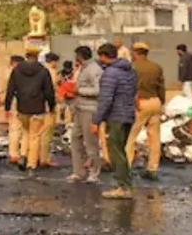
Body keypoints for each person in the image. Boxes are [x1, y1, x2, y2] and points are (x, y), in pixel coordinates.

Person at [91, 43, 137, 199]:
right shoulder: (130, 71)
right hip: (128, 115)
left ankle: (123, 186)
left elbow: (106, 99)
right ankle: (125, 183)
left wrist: (96, 120)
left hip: (116, 116)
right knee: (121, 150)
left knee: (116, 152)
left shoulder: (110, 73)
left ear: (104, 55)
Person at [4, 46, 55, 176]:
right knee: (35, 136)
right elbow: (49, 91)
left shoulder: (16, 70)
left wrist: (7, 107)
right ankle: (31, 163)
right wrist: (51, 105)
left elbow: (10, 89)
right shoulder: (44, 71)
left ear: (26, 55)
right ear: (37, 56)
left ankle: (23, 155)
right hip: (38, 108)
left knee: (26, 132)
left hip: (22, 107)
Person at [126, 43, 165, 182]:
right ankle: (152, 169)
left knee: (130, 136)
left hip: (140, 103)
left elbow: (130, 87)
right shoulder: (156, 67)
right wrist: (161, 102)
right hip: (155, 102)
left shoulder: (132, 67)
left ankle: (127, 167)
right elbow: (161, 87)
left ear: (136, 52)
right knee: (154, 138)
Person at [68, 46, 102, 183]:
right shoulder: (82, 68)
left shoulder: (94, 69)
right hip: (79, 108)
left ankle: (94, 173)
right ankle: (78, 172)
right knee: (75, 139)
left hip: (90, 109)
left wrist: (79, 91)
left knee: (90, 142)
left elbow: (98, 90)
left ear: (80, 56)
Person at [39, 53, 61, 167]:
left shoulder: (40, 70)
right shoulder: (51, 72)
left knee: (40, 132)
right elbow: (51, 91)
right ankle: (45, 158)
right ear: (53, 61)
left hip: (39, 106)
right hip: (49, 105)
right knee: (47, 133)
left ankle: (38, 156)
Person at [5, 55, 27, 165]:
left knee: (15, 130)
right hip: (27, 103)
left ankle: (14, 154)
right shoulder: (27, 73)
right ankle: (23, 153)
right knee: (25, 130)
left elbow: (10, 91)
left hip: (16, 102)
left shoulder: (13, 73)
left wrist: (7, 107)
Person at [57, 61, 76, 125]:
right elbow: (58, 83)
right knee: (62, 108)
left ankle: (73, 123)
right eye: (66, 68)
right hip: (64, 94)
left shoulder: (74, 73)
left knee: (73, 110)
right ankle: (62, 121)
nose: (67, 69)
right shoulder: (61, 73)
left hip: (72, 94)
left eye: (69, 68)